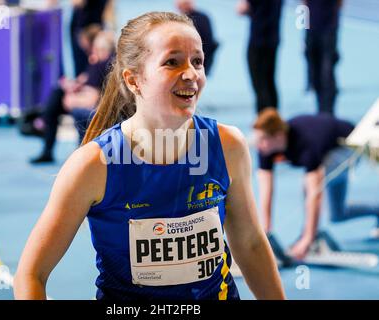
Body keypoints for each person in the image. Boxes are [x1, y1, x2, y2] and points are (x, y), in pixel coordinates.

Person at [15, 12, 285, 300]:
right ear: (134, 80)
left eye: (197, 61)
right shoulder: (93, 166)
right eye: (172, 61)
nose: (192, 74)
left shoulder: (227, 145)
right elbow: (32, 274)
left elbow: (251, 243)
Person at [253, 108, 379, 260]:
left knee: (309, 183)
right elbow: (266, 187)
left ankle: (311, 238)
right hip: (329, 150)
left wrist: (307, 239)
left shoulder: (306, 143)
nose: (258, 145)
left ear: (278, 136)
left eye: (262, 140)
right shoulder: (266, 148)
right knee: (337, 214)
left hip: (350, 148)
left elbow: (315, 194)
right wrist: (266, 231)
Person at [30, 30, 115, 164]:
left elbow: (92, 99)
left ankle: (43, 125)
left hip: (95, 106)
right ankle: (46, 141)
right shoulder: (97, 62)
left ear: (102, 49)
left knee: (67, 106)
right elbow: (84, 81)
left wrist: (72, 99)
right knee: (57, 93)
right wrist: (72, 86)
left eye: (95, 49)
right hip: (84, 99)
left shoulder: (105, 64)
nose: (92, 52)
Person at [237, 0, 283, 114]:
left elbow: (242, 9)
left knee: (260, 84)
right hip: (273, 39)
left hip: (258, 39)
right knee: (269, 82)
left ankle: (265, 121)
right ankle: (273, 119)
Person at [303, 0, 343, 115]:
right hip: (311, 30)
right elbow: (303, 4)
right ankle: (321, 109)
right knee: (315, 71)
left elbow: (340, 4)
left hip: (328, 30)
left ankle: (328, 111)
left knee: (327, 72)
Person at [175, 0, 219, 76]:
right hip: (200, 60)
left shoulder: (196, 19)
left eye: (180, 5)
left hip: (198, 59)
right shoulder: (202, 17)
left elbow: (207, 43)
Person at [70, 0, 108, 77]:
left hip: (87, 29)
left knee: (91, 64)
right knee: (96, 62)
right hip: (96, 25)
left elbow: (77, 3)